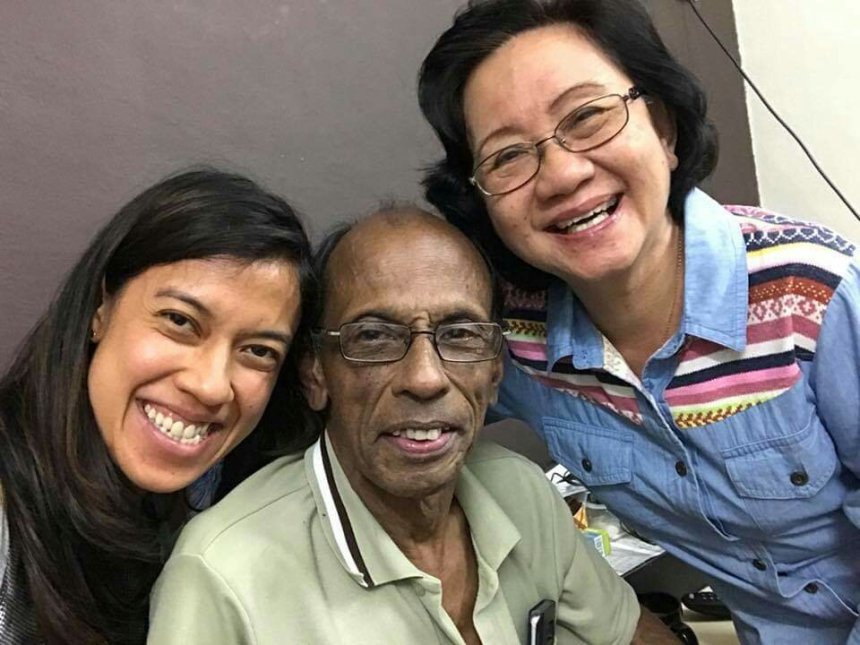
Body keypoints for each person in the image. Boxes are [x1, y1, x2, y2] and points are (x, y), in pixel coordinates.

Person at [417, 0, 860, 642]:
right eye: (507, 155)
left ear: (665, 129)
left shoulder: (814, 296)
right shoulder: (517, 342)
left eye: (587, 117)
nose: (562, 174)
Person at [148, 206, 678, 644]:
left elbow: (627, 632)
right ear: (316, 374)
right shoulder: (221, 574)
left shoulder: (522, 492)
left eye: (461, 334)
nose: (425, 378)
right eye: (374, 337)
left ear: (495, 372)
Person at [0, 169, 315, 644]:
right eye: (180, 321)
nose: (211, 386)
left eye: (258, 351)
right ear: (101, 308)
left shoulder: (220, 492)